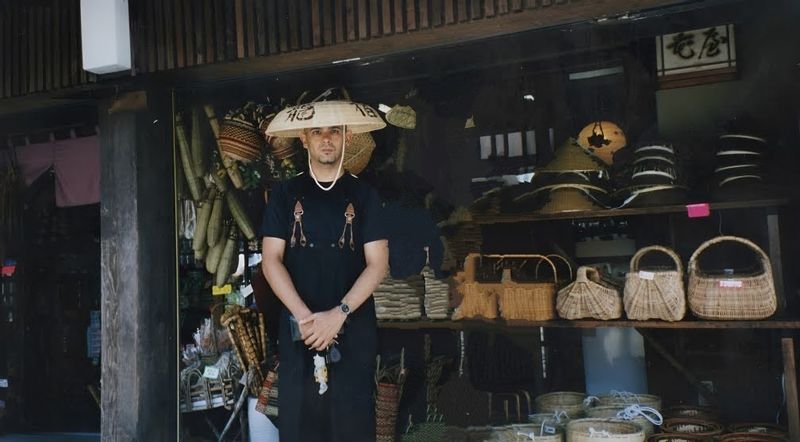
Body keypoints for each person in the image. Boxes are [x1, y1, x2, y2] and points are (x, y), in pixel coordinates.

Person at [260, 100, 388, 441]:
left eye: (334, 131)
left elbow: (379, 264)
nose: (326, 139)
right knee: (300, 426)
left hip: (353, 327)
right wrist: (306, 319)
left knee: (352, 426)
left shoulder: (364, 196)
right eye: (317, 131)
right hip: (298, 331)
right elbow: (271, 259)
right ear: (304, 138)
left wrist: (339, 314)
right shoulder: (285, 195)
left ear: (346, 136)